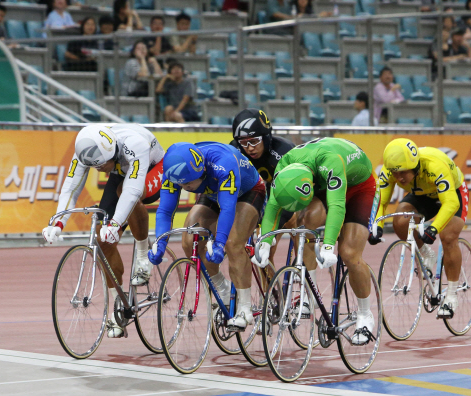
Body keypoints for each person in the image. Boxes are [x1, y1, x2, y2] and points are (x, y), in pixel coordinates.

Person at [42, 124, 165, 338]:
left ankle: (144, 256)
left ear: (110, 154)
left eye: (100, 165)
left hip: (154, 167)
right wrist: (57, 222)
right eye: (94, 166)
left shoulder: (135, 144)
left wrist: (116, 224)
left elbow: (133, 189)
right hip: (121, 170)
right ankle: (118, 305)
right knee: (102, 240)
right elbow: (71, 187)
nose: (97, 170)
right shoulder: (87, 147)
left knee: (124, 192)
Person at [253, 137, 378, 344]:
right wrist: (266, 241)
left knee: (349, 254)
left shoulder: (330, 161)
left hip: (359, 187)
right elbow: (273, 207)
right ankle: (306, 295)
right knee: (305, 221)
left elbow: (337, 205)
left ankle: (365, 315)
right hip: (318, 179)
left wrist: (328, 245)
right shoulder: (284, 169)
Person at [148, 141, 266, 329]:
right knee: (189, 240)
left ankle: (245, 308)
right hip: (212, 192)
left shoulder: (223, 163)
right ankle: (222, 287)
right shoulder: (175, 170)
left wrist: (219, 243)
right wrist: (160, 243)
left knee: (233, 243)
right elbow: (164, 211)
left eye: (187, 183)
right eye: (180, 184)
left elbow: (227, 208)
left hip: (248, 191)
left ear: (201, 171)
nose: (184, 187)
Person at [370, 138, 468, 319]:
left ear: (414, 165)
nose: (398, 177)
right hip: (423, 195)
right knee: (400, 220)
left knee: (447, 236)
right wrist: (376, 226)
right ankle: (426, 254)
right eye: (394, 172)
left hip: (452, 195)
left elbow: (451, 202)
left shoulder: (434, 166)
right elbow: (381, 202)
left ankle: (452, 295)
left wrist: (434, 228)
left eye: (403, 172)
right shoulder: (390, 170)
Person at [230, 108, 297, 263]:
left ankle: (305, 270)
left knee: (296, 223)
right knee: (260, 255)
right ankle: (271, 287)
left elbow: (291, 198)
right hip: (260, 196)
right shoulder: (235, 150)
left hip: (287, 196)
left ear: (266, 137)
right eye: (244, 143)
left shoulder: (284, 152)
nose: (250, 148)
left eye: (254, 141)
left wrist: (269, 230)